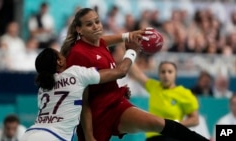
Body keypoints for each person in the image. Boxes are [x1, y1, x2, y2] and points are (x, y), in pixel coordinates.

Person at [61, 8, 209, 141]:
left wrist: (129, 35)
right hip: (96, 116)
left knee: (158, 123)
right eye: (89, 24)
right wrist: (131, 51)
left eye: (97, 22)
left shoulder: (98, 42)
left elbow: (104, 40)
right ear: (79, 29)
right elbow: (84, 100)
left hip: (116, 104)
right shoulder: (77, 54)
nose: (96, 27)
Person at [20, 42, 140, 141]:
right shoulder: (75, 73)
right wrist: (131, 51)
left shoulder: (43, 88)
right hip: (55, 136)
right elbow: (120, 72)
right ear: (59, 62)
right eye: (60, 54)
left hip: (29, 134)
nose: (64, 56)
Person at [129, 61, 200, 141]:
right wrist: (128, 52)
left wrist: (176, 124)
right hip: (152, 137)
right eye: (163, 72)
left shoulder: (185, 94)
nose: (166, 75)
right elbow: (137, 73)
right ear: (159, 74)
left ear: (175, 74)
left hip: (171, 136)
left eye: (170, 72)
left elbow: (195, 120)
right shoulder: (154, 87)